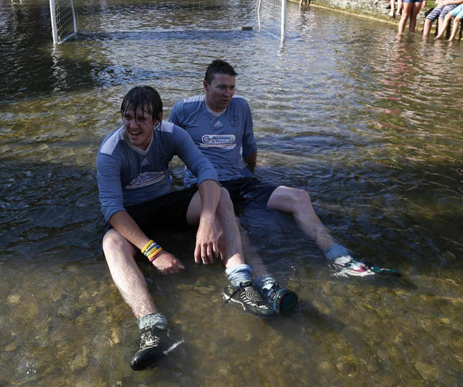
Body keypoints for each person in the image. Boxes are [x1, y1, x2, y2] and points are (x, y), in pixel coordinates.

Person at [169, 61, 400, 290]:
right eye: (221, 87)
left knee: (299, 196)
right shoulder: (184, 109)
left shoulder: (241, 106)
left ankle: (338, 256)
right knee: (235, 226)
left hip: (240, 180)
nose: (228, 94)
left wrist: (253, 174)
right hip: (207, 187)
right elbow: (168, 147)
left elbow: (249, 145)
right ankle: (261, 280)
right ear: (206, 86)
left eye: (232, 88)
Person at [99, 86, 272, 371]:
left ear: (157, 120)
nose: (132, 125)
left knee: (223, 197)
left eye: (141, 118)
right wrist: (153, 251)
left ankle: (241, 279)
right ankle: (151, 325)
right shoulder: (110, 152)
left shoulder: (172, 134)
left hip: (167, 203)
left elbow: (206, 172)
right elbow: (112, 210)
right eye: (127, 117)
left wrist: (206, 223)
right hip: (132, 215)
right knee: (110, 243)